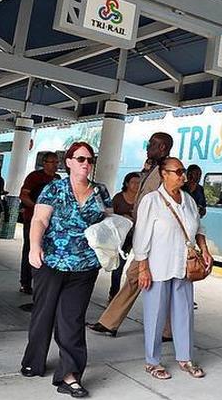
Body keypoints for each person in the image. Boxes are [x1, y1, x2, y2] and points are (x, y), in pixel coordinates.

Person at [20, 141, 110, 398]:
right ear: (68, 162)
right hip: (52, 262)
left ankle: (70, 375)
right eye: (80, 159)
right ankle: (33, 360)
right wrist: (34, 247)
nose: (86, 164)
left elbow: (108, 223)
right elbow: (39, 219)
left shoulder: (100, 191)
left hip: (85, 265)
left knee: (71, 319)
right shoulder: (54, 189)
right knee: (43, 313)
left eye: (90, 160)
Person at [88, 132, 175, 338]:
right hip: (146, 234)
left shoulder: (168, 170)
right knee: (148, 280)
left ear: (162, 148)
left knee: (137, 277)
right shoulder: (153, 168)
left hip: (157, 237)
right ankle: (167, 330)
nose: (148, 147)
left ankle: (110, 323)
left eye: (152, 144)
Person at [134, 156, 213, 380]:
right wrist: (143, 267)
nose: (183, 176)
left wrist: (204, 249)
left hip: (184, 265)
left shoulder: (187, 200)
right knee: (155, 315)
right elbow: (142, 236)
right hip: (158, 266)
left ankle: (185, 358)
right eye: (177, 172)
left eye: (183, 171)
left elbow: (198, 226)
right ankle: (152, 361)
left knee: (184, 312)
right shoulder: (152, 200)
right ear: (164, 174)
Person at [18, 152, 60, 295]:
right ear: (44, 163)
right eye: (52, 162)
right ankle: (25, 282)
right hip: (33, 220)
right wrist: (38, 209)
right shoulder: (34, 177)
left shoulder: (57, 179)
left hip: (51, 223)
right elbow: (23, 196)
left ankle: (42, 282)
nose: (55, 165)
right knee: (30, 248)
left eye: (56, 162)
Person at [109, 171, 142, 300]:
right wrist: (122, 217)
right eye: (133, 182)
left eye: (138, 183)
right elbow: (109, 215)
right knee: (119, 265)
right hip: (122, 237)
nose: (136, 185)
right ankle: (114, 293)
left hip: (138, 235)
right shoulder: (118, 198)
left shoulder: (143, 199)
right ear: (127, 183)